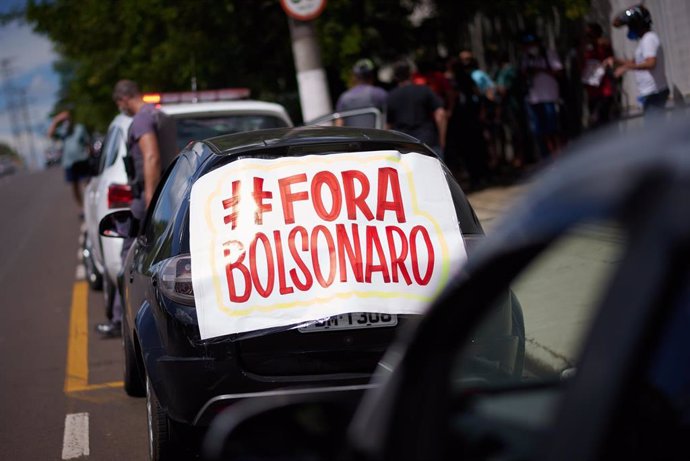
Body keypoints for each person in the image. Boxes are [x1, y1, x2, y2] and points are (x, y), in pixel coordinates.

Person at [96, 79, 163, 338]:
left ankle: (119, 320)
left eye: (118, 103)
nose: (120, 107)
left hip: (143, 201)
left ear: (124, 99)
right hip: (159, 198)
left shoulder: (141, 120)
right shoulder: (156, 114)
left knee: (127, 260)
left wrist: (149, 197)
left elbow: (151, 156)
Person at [610, 4, 669, 114]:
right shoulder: (645, 40)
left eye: (630, 25)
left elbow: (651, 63)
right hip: (651, 93)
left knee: (654, 129)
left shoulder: (648, 39)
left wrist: (626, 68)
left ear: (637, 25)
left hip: (654, 93)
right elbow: (635, 62)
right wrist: (616, 61)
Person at [386, 60, 446, 158]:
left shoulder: (390, 96)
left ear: (395, 77)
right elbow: (441, 114)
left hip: (403, 144)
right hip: (427, 142)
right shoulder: (424, 90)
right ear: (411, 74)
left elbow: (388, 125)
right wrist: (442, 140)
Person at [520, 33, 564, 159]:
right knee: (539, 130)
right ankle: (546, 157)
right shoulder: (526, 58)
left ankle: (559, 155)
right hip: (534, 98)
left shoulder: (548, 54)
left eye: (532, 44)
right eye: (527, 45)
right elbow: (523, 74)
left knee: (553, 128)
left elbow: (559, 72)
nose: (530, 47)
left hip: (550, 96)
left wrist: (540, 70)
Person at [47, 108, 91, 212]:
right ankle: (82, 208)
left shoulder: (80, 128)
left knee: (86, 184)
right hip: (69, 163)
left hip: (82, 160)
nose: (65, 120)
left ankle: (89, 206)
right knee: (74, 187)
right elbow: (50, 134)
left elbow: (87, 142)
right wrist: (56, 120)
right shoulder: (63, 130)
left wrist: (89, 154)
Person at [580, 22, 616, 129]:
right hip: (592, 87)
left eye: (591, 34)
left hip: (605, 86)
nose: (589, 37)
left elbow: (610, 58)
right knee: (595, 117)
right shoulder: (585, 48)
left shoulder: (603, 44)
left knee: (605, 115)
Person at [335, 59, 387, 128]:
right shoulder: (379, 93)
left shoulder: (344, 97)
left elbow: (339, 123)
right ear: (372, 76)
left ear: (355, 77)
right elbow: (388, 120)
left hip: (353, 138)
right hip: (375, 137)